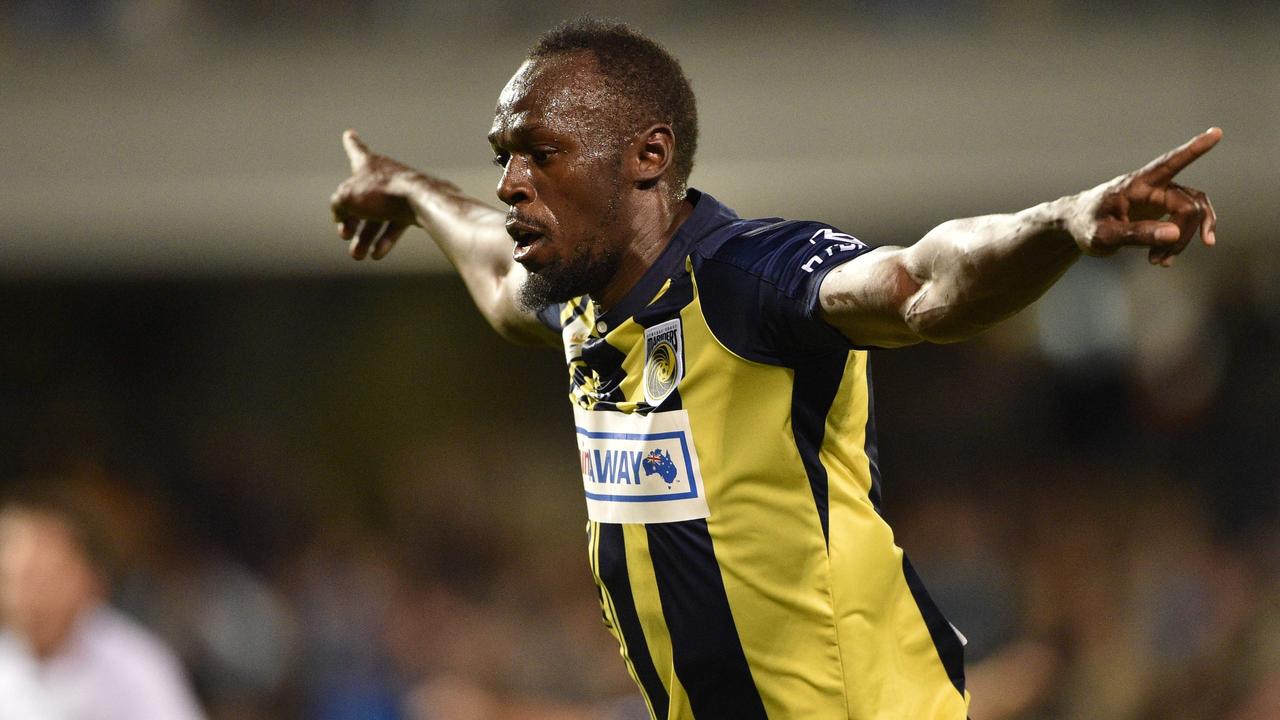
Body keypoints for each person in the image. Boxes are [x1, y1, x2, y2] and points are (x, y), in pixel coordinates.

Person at [328, 18, 1218, 720]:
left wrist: (1064, 223)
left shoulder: (750, 278)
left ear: (649, 156)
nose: (511, 182)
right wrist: (406, 192)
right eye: (503, 159)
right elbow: (491, 271)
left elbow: (922, 279)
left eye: (541, 152)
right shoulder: (578, 293)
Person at [0, 487, 207, 720]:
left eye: (44, 577)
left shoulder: (135, 666)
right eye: (14, 577)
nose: (29, 595)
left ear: (90, 580)